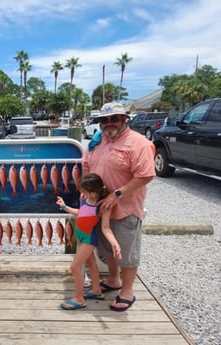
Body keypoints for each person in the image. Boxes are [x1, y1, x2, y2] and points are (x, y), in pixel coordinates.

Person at [82, 102, 155, 312]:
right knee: (106, 249)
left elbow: (146, 175)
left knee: (127, 251)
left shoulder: (138, 143)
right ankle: (114, 280)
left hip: (126, 208)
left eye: (114, 118)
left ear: (124, 119)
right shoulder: (97, 142)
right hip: (101, 208)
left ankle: (127, 291)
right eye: (104, 120)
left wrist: (117, 194)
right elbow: (87, 167)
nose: (108, 124)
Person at [56, 173, 122, 310]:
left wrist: (114, 243)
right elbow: (80, 213)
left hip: (88, 239)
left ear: (95, 191)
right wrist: (64, 206)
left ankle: (79, 298)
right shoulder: (85, 199)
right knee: (90, 263)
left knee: (75, 267)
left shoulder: (103, 206)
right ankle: (96, 290)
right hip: (79, 235)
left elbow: (106, 228)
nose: (83, 193)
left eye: (85, 191)